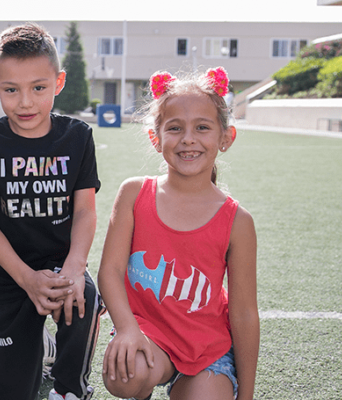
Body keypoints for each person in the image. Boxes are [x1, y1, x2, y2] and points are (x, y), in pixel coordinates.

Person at [98, 67, 258, 400]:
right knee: (125, 376)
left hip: (207, 346)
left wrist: (247, 395)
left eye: (202, 127)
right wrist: (127, 329)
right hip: (148, 333)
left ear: (225, 137)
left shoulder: (237, 221)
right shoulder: (133, 194)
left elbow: (243, 313)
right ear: (155, 138)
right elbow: (110, 272)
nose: (188, 139)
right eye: (175, 128)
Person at [0, 24, 103, 400]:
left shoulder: (77, 136)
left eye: (38, 88)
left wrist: (75, 267)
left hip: (61, 264)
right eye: (11, 90)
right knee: (14, 394)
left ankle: (70, 387)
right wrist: (27, 279)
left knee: (83, 294)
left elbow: (86, 212)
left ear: (58, 82)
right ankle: (36, 345)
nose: (25, 102)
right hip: (11, 274)